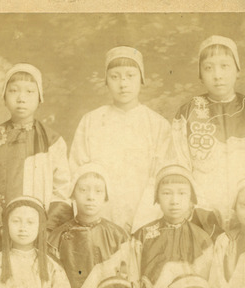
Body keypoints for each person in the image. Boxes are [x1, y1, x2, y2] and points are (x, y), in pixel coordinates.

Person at [172, 35, 245, 228]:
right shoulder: (187, 114)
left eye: (225, 66)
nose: (217, 75)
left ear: (237, 70)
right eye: (208, 68)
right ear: (200, 74)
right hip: (201, 215)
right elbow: (180, 168)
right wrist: (193, 210)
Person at [68, 47, 173, 232]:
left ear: (141, 79)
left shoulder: (158, 125)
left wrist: (144, 220)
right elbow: (78, 173)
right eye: (115, 77)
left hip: (147, 220)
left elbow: (162, 179)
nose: (123, 83)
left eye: (130, 75)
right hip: (99, 221)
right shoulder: (91, 121)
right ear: (106, 81)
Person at [0, 63, 72, 246]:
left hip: (43, 232)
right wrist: (1, 227)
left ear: (40, 97)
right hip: (2, 232)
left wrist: (46, 228)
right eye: (13, 91)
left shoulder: (52, 141)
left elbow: (62, 191)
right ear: (4, 97)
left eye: (29, 91)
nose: (21, 98)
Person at [132, 165, 214, 288]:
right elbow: (133, 283)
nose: (174, 200)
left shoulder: (202, 240)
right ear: (157, 198)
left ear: (192, 199)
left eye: (182, 193)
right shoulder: (143, 235)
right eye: (167, 193)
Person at [47, 163, 131, 288]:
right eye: (83, 190)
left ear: (105, 196)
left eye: (98, 191)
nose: (90, 197)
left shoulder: (118, 236)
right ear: (73, 194)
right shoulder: (57, 237)